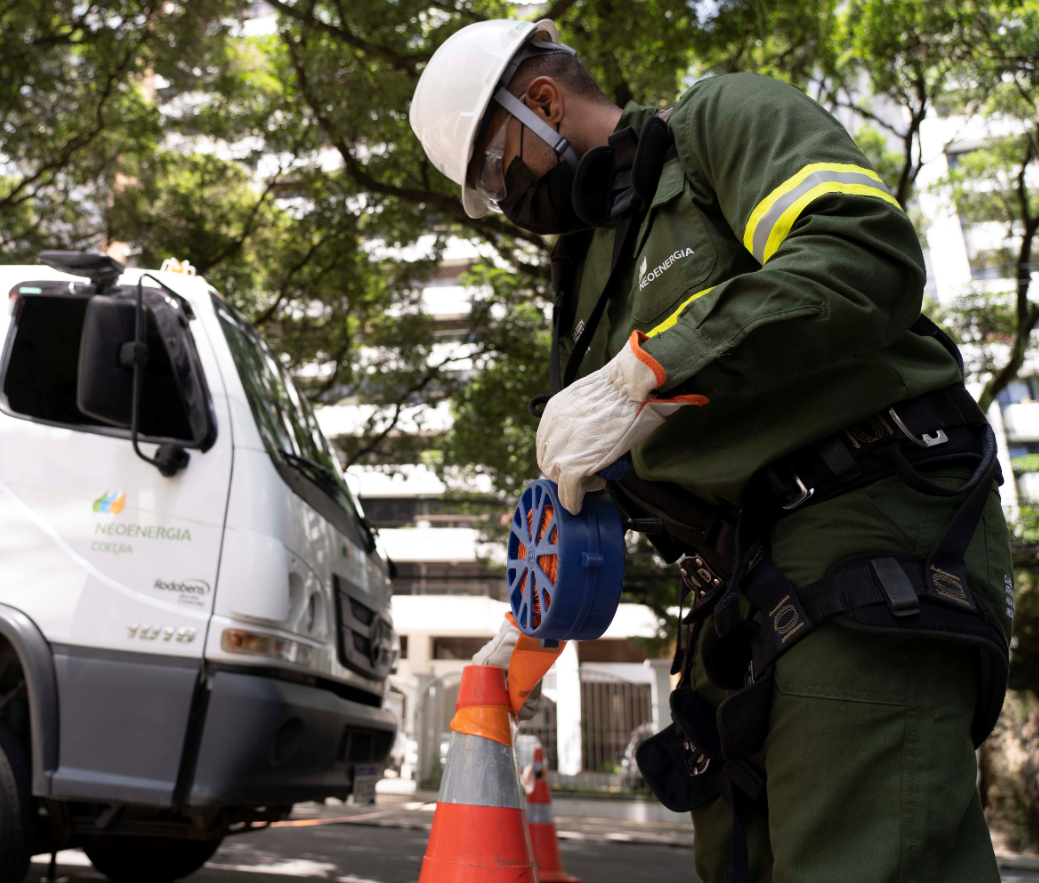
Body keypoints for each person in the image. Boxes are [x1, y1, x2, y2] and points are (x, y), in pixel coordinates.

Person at [410, 18, 1014, 883]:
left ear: (540, 101)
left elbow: (858, 256)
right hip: (737, 598)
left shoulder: (716, 126)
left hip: (864, 533)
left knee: (857, 857)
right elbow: (594, 488)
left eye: (497, 172)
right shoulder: (585, 279)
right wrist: (531, 620)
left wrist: (650, 371)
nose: (508, 203)